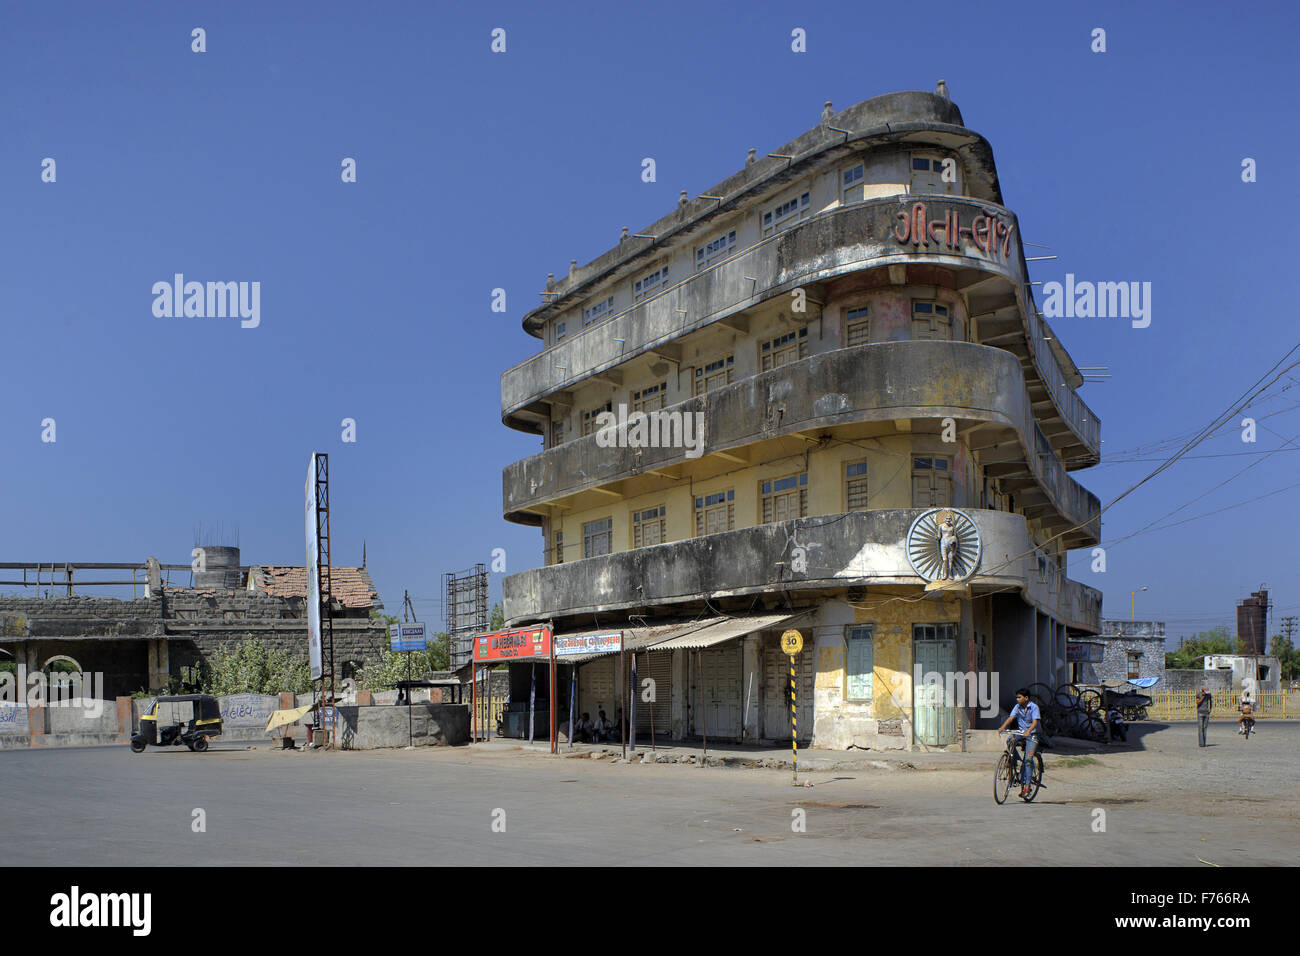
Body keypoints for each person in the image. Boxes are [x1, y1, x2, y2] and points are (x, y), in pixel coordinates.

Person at [996, 688, 1040, 799]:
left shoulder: (1034, 707)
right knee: (1010, 740)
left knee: (1029, 760)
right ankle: (1014, 760)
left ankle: (1026, 786)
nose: (1017, 699)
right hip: (1021, 733)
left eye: (1019, 697)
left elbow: (1035, 722)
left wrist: (1028, 731)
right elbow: (1011, 718)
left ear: (1026, 698)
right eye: (1017, 697)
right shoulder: (1017, 707)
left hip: (1032, 734)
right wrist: (1002, 727)